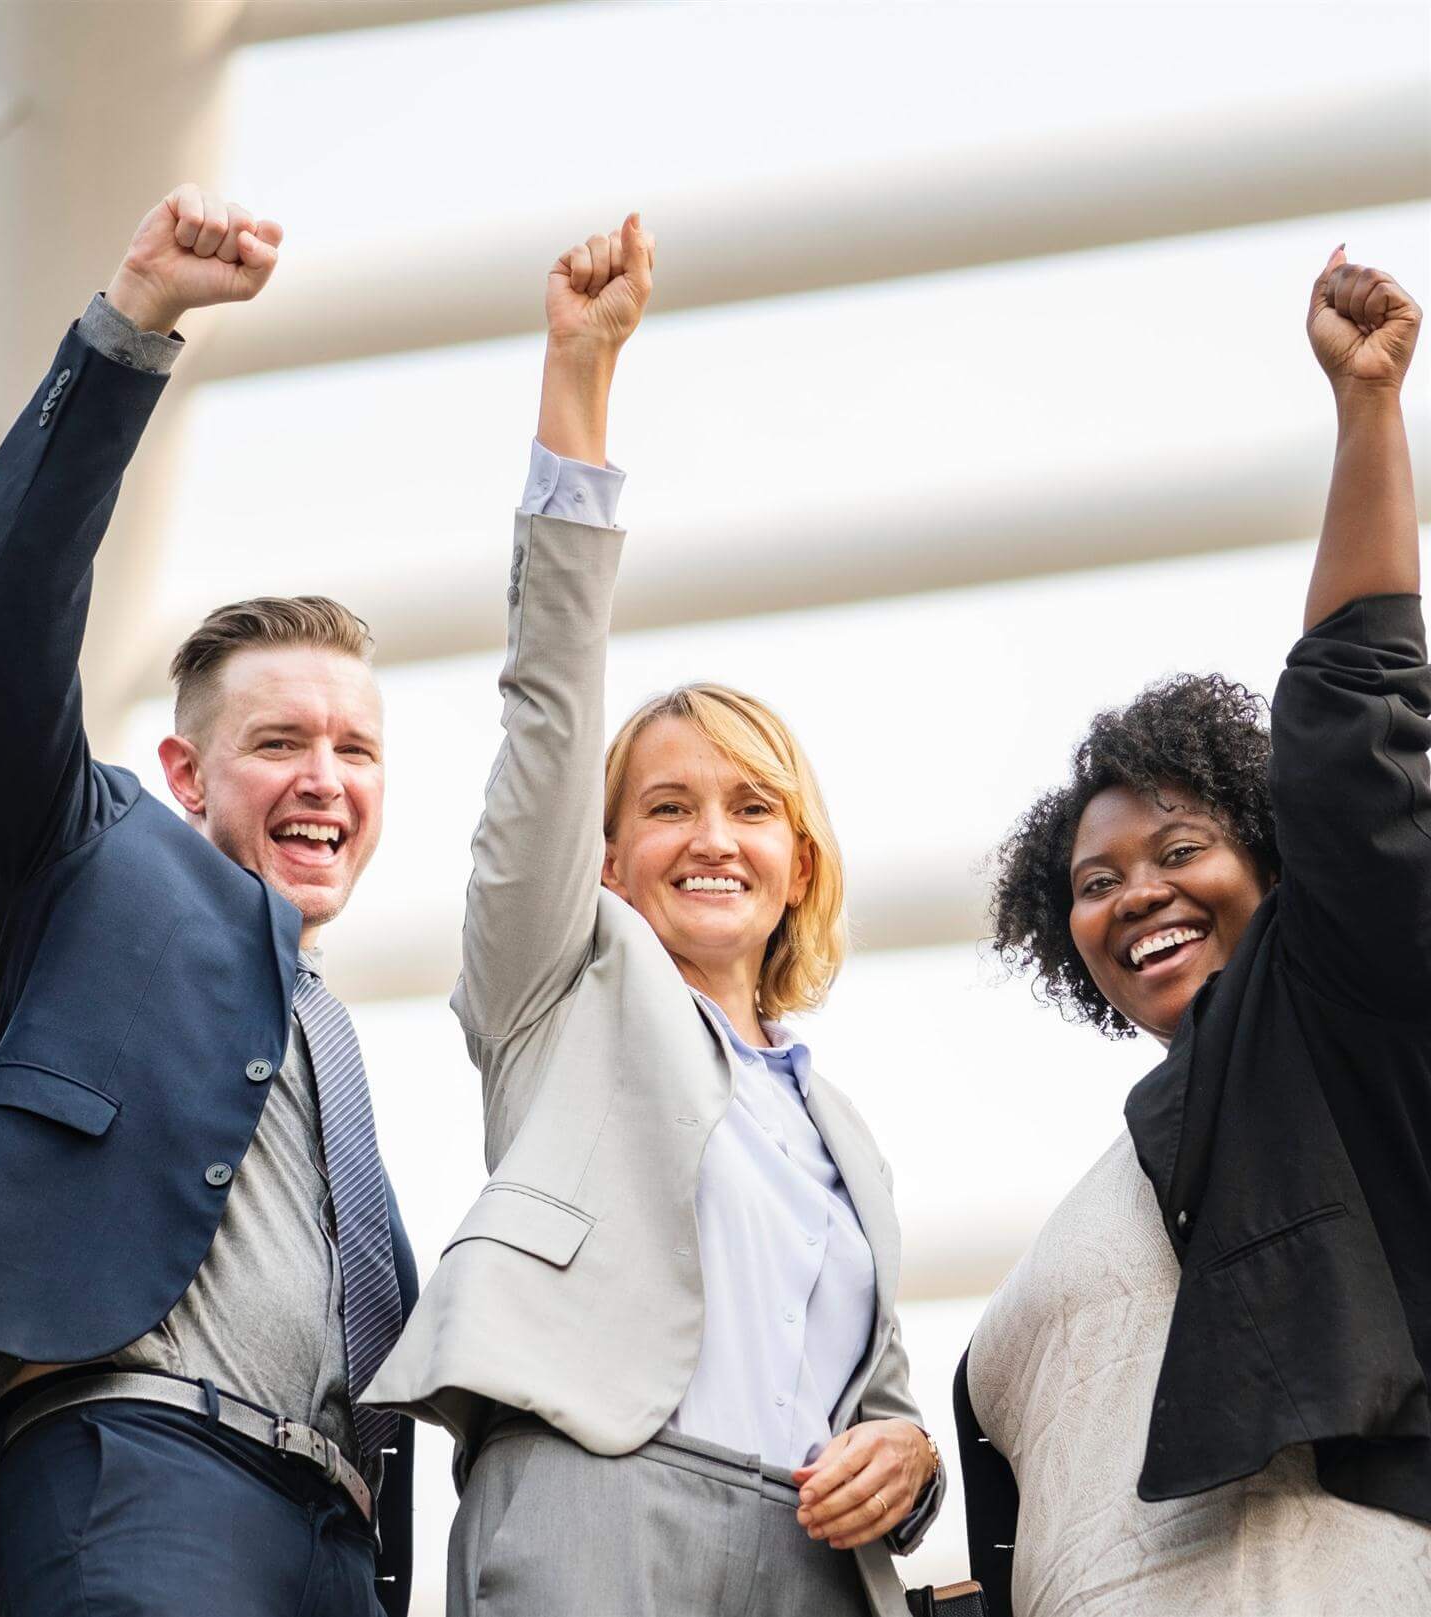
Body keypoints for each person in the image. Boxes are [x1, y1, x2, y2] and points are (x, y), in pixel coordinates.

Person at [0, 183, 417, 1617]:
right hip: (143, 1466)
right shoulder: (95, 853)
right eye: (279, 742)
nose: (323, 779)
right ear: (181, 769)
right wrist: (135, 324)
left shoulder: (330, 1039)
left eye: (356, 749)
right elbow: (5, 620)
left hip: (336, 1544)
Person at [364, 216, 943, 1617]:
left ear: (799, 862)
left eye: (752, 807)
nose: (711, 836)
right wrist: (580, 381)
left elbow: (880, 1389)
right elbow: (552, 709)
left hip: (810, 1557)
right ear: (607, 860)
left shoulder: (836, 1127)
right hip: (601, 1492)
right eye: (668, 807)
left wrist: (908, 1457)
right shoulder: (560, 990)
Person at [960, 251, 1431, 1616]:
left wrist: (1366, 412)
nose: (1137, 893)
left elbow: (1357, 719)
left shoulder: (1336, 1025)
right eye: (1095, 882)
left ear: (1274, 862)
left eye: (1180, 849)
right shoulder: (1133, 1160)